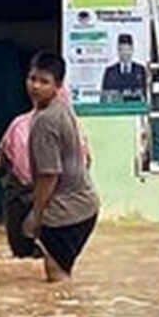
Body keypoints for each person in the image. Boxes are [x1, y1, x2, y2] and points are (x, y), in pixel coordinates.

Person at [0, 85, 91, 260]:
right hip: (51, 208)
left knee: (40, 263)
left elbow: (5, 165)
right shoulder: (73, 131)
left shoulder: (29, 127)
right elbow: (83, 168)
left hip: (41, 207)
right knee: (50, 265)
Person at [27, 52, 101, 282]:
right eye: (32, 78)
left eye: (44, 81)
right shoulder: (63, 107)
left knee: (56, 277)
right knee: (61, 278)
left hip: (66, 211)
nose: (35, 86)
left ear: (58, 86)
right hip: (86, 205)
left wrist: (36, 216)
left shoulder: (45, 121)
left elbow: (49, 175)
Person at [100, 33, 148, 101]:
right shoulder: (110, 72)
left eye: (127, 49)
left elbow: (144, 96)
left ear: (132, 50)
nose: (125, 53)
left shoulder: (140, 70)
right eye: (122, 49)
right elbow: (104, 97)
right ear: (118, 51)